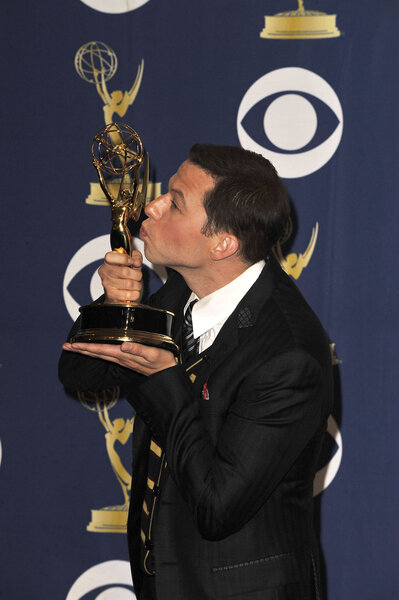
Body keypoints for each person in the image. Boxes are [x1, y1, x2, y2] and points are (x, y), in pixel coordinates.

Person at [59, 144, 333, 600]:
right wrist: (115, 306)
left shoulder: (288, 355)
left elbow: (216, 505)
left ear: (222, 243)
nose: (152, 206)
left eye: (175, 201)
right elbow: (79, 373)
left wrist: (166, 378)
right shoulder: (178, 294)